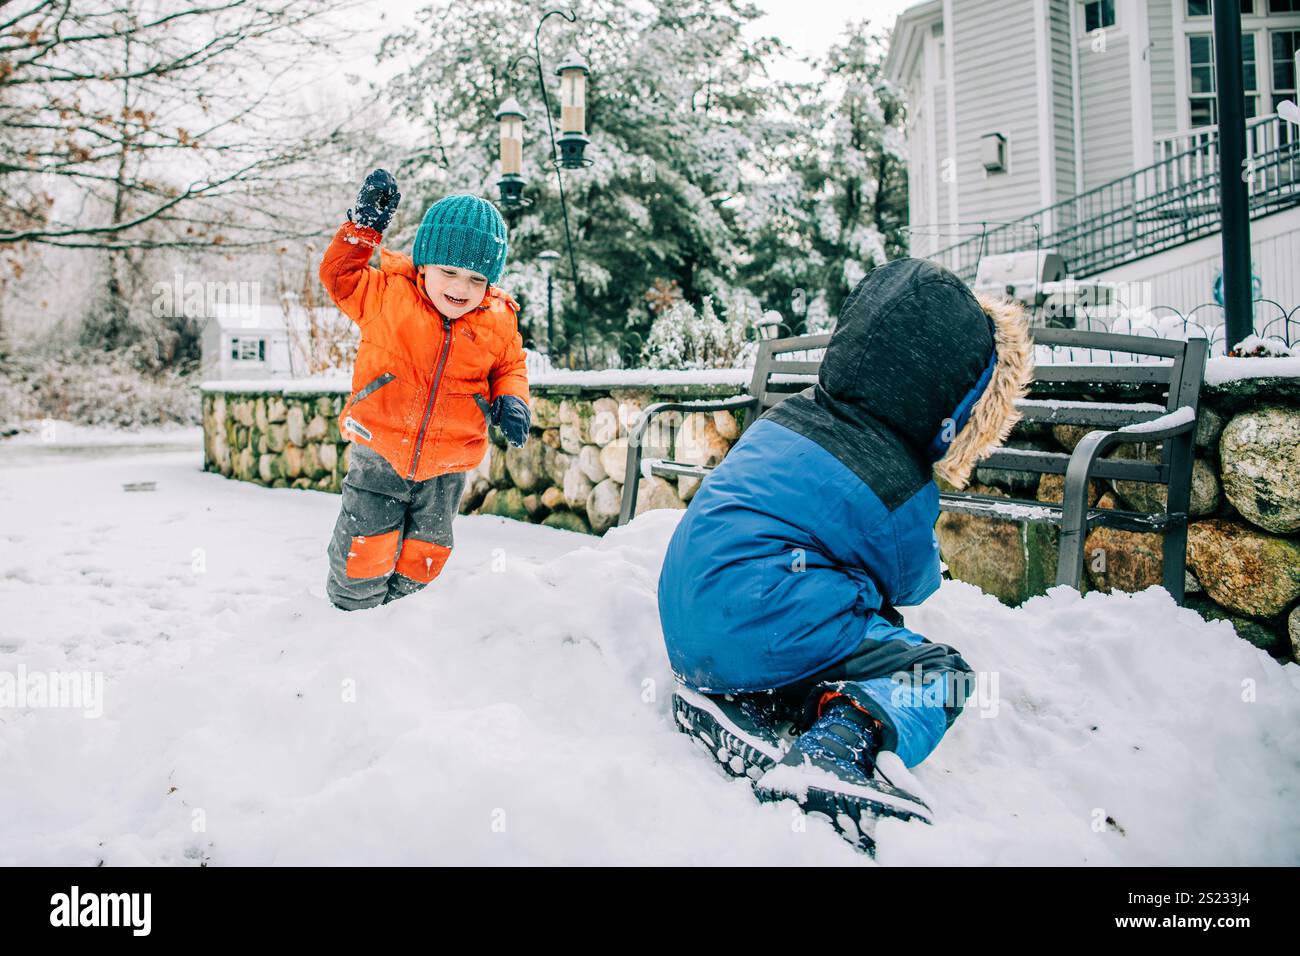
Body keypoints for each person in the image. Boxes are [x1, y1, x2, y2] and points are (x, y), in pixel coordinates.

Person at [658, 258, 1033, 850]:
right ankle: (838, 748)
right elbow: (911, 584)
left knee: (818, 611)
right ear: (948, 412)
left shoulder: (789, 416)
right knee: (945, 673)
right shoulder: (898, 483)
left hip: (686, 608)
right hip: (769, 618)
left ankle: (739, 701)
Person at [318, 169, 531, 610]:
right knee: (366, 547)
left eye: (476, 280)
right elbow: (339, 277)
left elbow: (510, 366)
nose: (461, 288)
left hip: (447, 464)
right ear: (424, 263)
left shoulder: (498, 319)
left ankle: (407, 623)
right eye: (449, 271)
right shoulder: (387, 295)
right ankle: (348, 623)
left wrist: (512, 399)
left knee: (426, 553)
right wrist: (362, 229)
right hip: (381, 449)